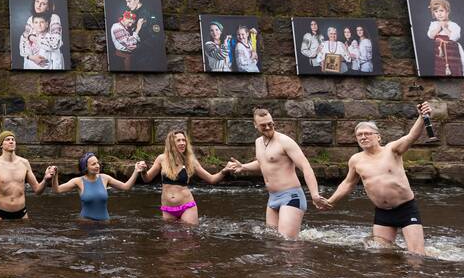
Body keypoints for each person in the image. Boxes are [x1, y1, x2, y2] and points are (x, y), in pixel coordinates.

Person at [324, 104, 434, 255]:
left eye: (367, 133)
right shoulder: (356, 160)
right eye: (359, 135)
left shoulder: (392, 150)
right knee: (383, 256)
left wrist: (422, 117)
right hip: (382, 213)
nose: (363, 137)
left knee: (417, 256)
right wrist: (330, 201)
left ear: (378, 136)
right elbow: (348, 184)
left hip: (406, 209)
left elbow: (411, 136)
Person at [226, 108, 329, 238]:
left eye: (271, 123)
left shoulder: (285, 141)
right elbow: (264, 162)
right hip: (273, 198)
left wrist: (314, 194)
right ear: (255, 125)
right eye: (263, 125)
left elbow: (305, 166)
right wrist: (244, 167)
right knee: (273, 241)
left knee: (287, 243)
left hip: (291, 197)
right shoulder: (258, 142)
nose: (268, 127)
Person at [141, 129, 227, 225]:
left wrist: (224, 171)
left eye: (184, 140)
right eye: (178, 140)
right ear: (171, 143)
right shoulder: (162, 159)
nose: (182, 143)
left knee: (187, 237)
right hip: (167, 209)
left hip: (187, 207)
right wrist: (143, 171)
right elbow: (147, 178)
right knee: (170, 238)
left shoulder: (191, 161)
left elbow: (211, 179)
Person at [0, 131, 54, 220]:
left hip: (22, 214)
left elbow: (37, 191)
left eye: (13, 139)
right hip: (0, 215)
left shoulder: (24, 163)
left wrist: (45, 180)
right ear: (1, 145)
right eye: (7, 139)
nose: (11, 141)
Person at [50, 153, 147, 222]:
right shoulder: (78, 181)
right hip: (86, 223)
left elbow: (126, 187)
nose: (97, 166)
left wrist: (136, 171)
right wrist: (55, 176)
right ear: (85, 167)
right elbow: (57, 190)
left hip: (105, 223)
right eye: (93, 164)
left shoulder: (105, 178)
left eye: (97, 163)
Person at [20, 0, 64, 69]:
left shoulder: (54, 18)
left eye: (43, 4)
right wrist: (31, 57)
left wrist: (32, 38)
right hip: (31, 62)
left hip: (50, 63)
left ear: (48, 7)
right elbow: (23, 41)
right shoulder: (30, 19)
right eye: (37, 1)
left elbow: (55, 43)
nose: (38, 5)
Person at [427, 0, 463, 76]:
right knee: (440, 68)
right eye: (436, 11)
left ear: (447, 12)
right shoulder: (434, 24)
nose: (439, 13)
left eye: (441, 11)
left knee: (453, 69)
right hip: (440, 53)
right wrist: (438, 28)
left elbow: (454, 37)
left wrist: (445, 28)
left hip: (452, 53)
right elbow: (431, 35)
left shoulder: (453, 25)